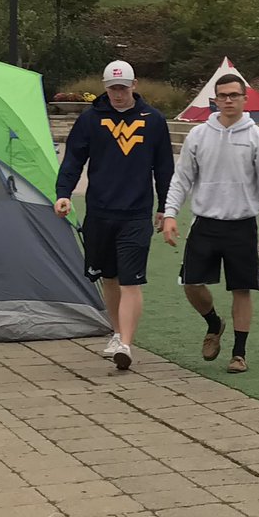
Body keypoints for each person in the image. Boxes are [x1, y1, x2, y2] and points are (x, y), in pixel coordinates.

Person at [54, 61, 174, 371]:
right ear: (105, 88)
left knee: (131, 281)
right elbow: (73, 160)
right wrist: (63, 194)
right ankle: (117, 331)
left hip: (135, 214)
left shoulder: (154, 121)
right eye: (112, 88)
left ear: (134, 86)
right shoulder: (91, 120)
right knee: (109, 277)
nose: (118, 94)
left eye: (123, 88)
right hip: (100, 212)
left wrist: (165, 206)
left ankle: (126, 344)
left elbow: (164, 168)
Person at [162, 73, 259, 373]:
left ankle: (239, 353)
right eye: (222, 95)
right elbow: (182, 179)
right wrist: (171, 213)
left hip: (241, 225)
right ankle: (214, 323)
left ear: (244, 99)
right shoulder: (199, 135)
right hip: (205, 223)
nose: (228, 100)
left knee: (242, 289)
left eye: (234, 95)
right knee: (190, 283)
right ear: (214, 100)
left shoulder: (258, 139)